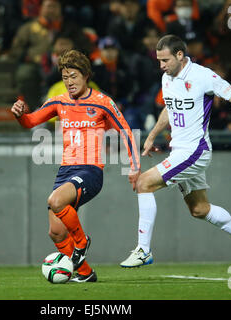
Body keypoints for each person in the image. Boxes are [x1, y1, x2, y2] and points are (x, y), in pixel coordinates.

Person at [120, 35, 231, 271]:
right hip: (180, 151)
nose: (161, 65)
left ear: (179, 56)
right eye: (158, 61)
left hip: (195, 151)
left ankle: (144, 250)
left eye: (164, 60)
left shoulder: (204, 76)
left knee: (143, 183)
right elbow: (169, 107)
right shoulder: (167, 78)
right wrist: (152, 135)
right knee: (199, 209)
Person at [10, 49, 140, 282]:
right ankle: (85, 273)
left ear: (86, 75)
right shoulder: (58, 101)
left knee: (55, 201)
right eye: (65, 77)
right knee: (56, 232)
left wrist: (134, 166)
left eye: (73, 76)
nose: (69, 82)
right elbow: (30, 121)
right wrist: (20, 114)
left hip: (90, 170)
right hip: (65, 171)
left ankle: (81, 243)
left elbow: (126, 132)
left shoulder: (102, 102)